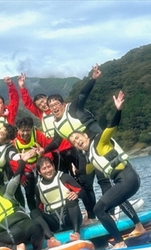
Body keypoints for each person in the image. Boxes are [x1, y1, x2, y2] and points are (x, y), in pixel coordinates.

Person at [68, 91, 146, 249]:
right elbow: (87, 169)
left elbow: (111, 127)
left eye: (78, 138)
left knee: (99, 208)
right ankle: (139, 227)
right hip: (124, 180)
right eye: (74, 142)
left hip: (127, 177)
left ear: (85, 135)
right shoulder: (90, 154)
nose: (77, 142)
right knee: (115, 198)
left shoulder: (100, 141)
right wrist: (75, 169)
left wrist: (118, 110)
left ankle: (119, 242)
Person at [36, 64, 112, 225]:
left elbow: (83, 95)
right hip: (81, 153)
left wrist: (93, 79)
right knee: (85, 184)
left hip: (95, 146)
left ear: (63, 104)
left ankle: (110, 212)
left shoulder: (73, 109)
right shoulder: (56, 123)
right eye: (51, 106)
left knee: (103, 180)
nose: (54, 107)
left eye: (57, 104)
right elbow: (56, 141)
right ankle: (91, 216)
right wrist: (44, 149)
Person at [18, 73, 73, 174]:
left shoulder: (59, 108)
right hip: (54, 150)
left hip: (67, 146)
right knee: (61, 174)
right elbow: (28, 104)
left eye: (43, 101)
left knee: (76, 173)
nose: (43, 105)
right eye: (39, 105)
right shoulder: (41, 114)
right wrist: (22, 87)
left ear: (47, 99)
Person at [30, 156, 84, 247]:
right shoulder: (38, 187)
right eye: (44, 168)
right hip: (54, 222)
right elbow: (39, 208)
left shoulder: (64, 177)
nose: (48, 170)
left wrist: (77, 194)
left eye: (49, 166)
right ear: (39, 172)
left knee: (70, 199)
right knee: (34, 213)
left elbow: (82, 191)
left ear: (53, 166)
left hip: (70, 218)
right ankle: (51, 239)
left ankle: (76, 233)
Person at [14, 116, 53, 211]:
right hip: (27, 169)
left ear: (32, 129)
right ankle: (35, 213)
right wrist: (21, 177)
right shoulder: (14, 141)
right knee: (29, 193)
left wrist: (47, 163)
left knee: (46, 189)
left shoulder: (38, 135)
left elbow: (48, 148)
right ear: (18, 130)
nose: (25, 133)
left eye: (28, 130)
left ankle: (49, 210)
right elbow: (13, 162)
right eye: (23, 131)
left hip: (40, 165)